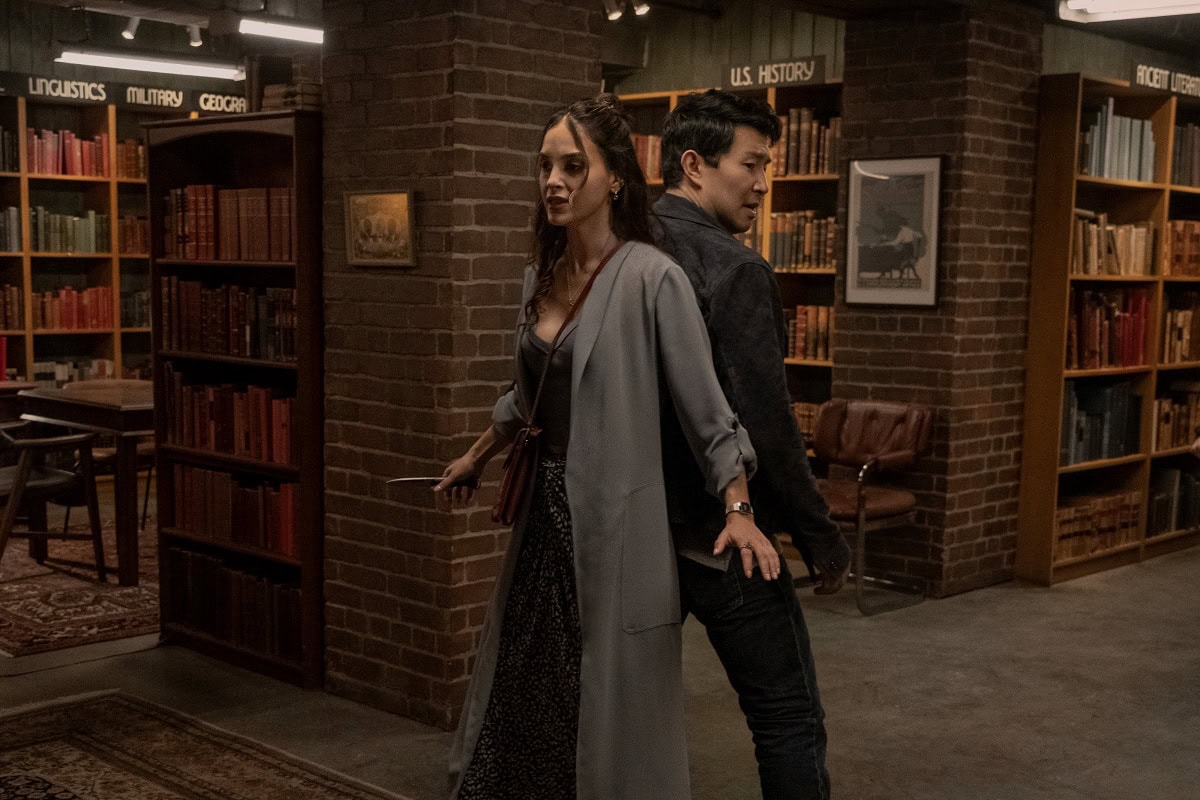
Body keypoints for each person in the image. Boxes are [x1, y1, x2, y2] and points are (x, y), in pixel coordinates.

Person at [435, 94, 777, 800]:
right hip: (543, 520)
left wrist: (738, 507)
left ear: (615, 178)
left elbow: (708, 415)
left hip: (616, 521)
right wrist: (477, 455)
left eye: (573, 166)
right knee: (528, 685)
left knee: (599, 701)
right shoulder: (541, 275)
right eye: (545, 167)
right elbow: (528, 398)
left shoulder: (653, 279)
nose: (554, 181)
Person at [652, 88, 853, 800]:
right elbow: (766, 422)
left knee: (633, 714)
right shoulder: (734, 268)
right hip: (726, 537)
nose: (763, 183)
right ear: (694, 165)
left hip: (643, 532)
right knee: (788, 718)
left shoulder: (625, 253)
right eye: (751, 164)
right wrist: (819, 537)